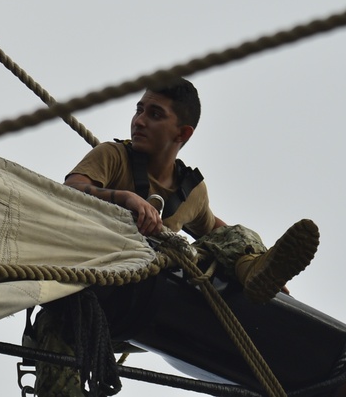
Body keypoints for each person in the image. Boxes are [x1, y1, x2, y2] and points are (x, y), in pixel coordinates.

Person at [31, 78, 320, 397]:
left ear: (182, 134)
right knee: (57, 368)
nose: (139, 120)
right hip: (87, 298)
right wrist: (123, 197)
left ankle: (255, 274)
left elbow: (217, 232)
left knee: (234, 237)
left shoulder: (191, 191)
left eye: (154, 114)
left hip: (146, 302)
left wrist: (261, 264)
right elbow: (70, 191)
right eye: (139, 110)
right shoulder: (113, 156)